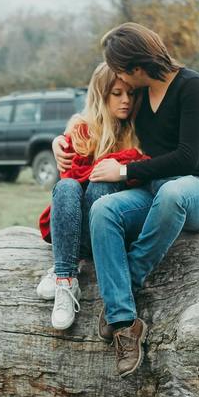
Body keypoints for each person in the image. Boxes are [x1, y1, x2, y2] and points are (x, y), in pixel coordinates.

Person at [54, 23, 199, 377]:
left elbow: (187, 158)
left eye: (119, 68)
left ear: (135, 66)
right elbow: (97, 119)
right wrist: (61, 140)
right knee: (103, 210)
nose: (119, 79)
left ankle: (125, 285)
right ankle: (124, 322)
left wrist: (122, 173)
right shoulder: (140, 96)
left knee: (172, 192)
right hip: (152, 190)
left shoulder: (192, 87)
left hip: (198, 190)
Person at [35, 62, 150, 331]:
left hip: (109, 232)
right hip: (74, 227)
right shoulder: (82, 128)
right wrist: (59, 142)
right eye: (117, 93)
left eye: (131, 94)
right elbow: (69, 178)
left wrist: (117, 168)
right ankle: (66, 280)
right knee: (65, 187)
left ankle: (64, 268)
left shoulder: (138, 131)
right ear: (101, 95)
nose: (125, 101)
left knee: (100, 185)